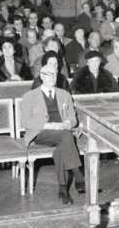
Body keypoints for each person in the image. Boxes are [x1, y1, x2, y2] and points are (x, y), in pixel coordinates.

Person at [20, 64, 84, 204]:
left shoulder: (65, 94)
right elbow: (25, 121)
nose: (52, 77)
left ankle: (63, 189)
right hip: (40, 132)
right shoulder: (30, 96)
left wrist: (67, 123)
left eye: (54, 74)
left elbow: (73, 119)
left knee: (61, 146)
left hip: (62, 132)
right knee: (66, 136)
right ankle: (78, 175)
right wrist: (49, 125)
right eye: (48, 74)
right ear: (41, 76)